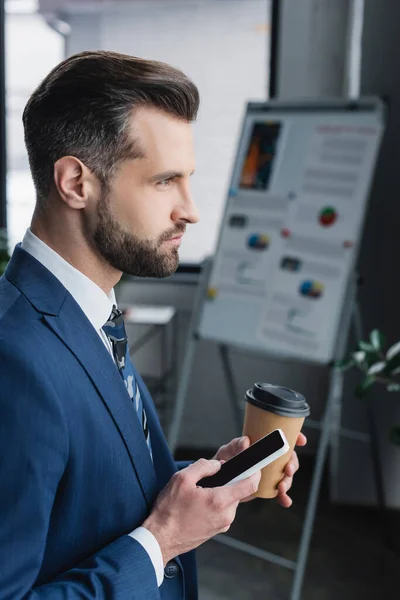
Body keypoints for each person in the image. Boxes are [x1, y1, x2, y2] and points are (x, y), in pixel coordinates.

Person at [0, 51, 307, 599]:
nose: (190, 210)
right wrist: (162, 540)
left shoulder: (87, 313)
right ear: (75, 183)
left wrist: (209, 479)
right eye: (165, 181)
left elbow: (86, 491)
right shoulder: (13, 356)